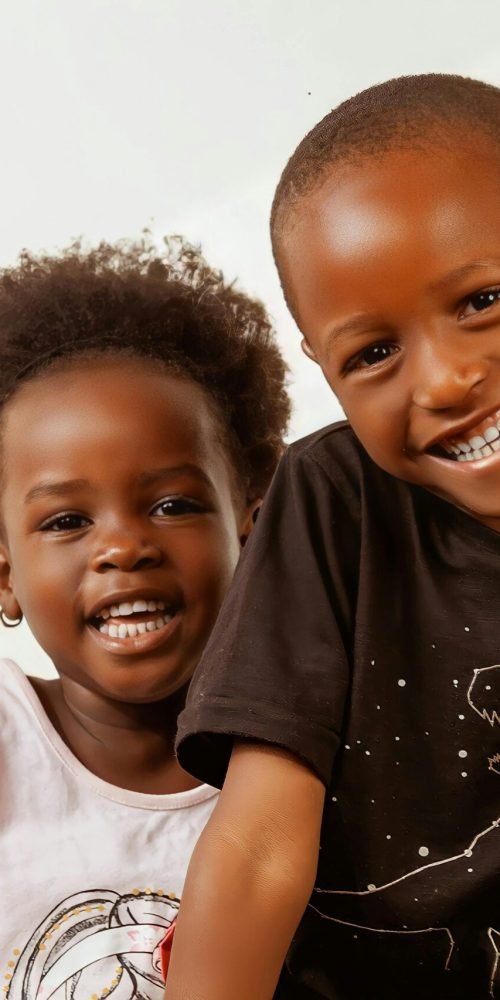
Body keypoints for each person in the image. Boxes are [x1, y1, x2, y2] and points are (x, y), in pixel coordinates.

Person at [166, 74, 500, 1000]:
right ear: (322, 364)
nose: (442, 381)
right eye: (373, 354)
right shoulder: (333, 500)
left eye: (482, 301)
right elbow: (260, 843)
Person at [0, 235, 290, 1000]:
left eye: (171, 505)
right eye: (66, 521)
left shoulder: (311, 768)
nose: (124, 546)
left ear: (251, 532)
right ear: (5, 572)